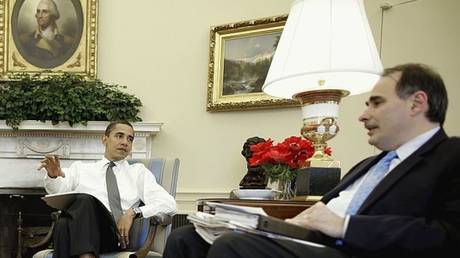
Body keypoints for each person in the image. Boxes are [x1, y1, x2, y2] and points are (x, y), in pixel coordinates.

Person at [163, 63, 460, 258]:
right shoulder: (368, 165)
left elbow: (449, 237)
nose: (363, 114)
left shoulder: (450, 155)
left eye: (377, 103)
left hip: (354, 249)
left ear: (417, 103)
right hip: (310, 240)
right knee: (185, 238)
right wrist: (271, 225)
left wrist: (344, 226)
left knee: (234, 248)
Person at [39, 121, 176, 258]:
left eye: (130, 139)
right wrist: (53, 176)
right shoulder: (81, 169)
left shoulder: (138, 172)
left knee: (83, 201)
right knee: (65, 221)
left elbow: (169, 204)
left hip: (115, 236)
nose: (125, 142)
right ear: (105, 139)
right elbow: (57, 192)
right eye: (119, 136)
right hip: (82, 235)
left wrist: (134, 212)